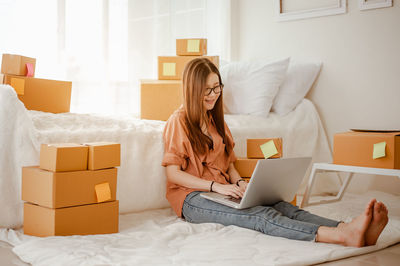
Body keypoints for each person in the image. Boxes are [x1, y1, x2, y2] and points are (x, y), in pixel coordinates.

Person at [161, 58, 389, 247]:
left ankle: (348, 227)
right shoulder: (178, 122)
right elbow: (173, 174)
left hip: (223, 191)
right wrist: (216, 186)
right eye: (207, 90)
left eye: (217, 87)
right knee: (261, 216)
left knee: (283, 207)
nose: (214, 94)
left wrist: (240, 182)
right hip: (193, 198)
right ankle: (341, 237)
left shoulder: (216, 121)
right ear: (192, 90)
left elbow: (228, 163)